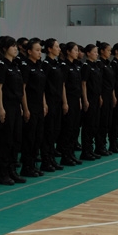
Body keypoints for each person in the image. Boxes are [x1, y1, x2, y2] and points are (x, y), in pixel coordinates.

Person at [0, 36, 27, 185]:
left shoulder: (15, 65)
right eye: (12, 46)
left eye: (15, 46)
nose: (15, 48)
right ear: (4, 49)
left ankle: (13, 170)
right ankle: (3, 174)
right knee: (5, 140)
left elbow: (20, 89)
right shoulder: (1, 65)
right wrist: (1, 108)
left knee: (16, 139)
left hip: (15, 106)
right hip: (6, 105)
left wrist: (21, 106)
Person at [19, 38, 48, 177]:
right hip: (30, 105)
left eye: (40, 50)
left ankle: (33, 165)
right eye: (37, 50)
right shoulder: (25, 66)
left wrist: (44, 103)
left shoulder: (39, 66)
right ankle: (26, 166)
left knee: (38, 137)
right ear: (29, 51)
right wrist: (25, 108)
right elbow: (23, 89)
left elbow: (42, 88)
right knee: (29, 137)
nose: (39, 53)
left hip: (39, 106)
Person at [40, 38, 65, 173]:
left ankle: (52, 158)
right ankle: (46, 160)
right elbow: (43, 86)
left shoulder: (57, 64)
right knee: (48, 132)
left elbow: (61, 85)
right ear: (49, 49)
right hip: (49, 102)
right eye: (56, 46)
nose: (59, 49)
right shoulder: (46, 65)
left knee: (55, 131)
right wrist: (44, 103)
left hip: (57, 102)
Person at [59, 42, 82, 166]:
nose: (77, 52)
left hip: (75, 100)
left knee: (74, 128)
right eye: (75, 50)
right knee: (67, 129)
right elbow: (63, 85)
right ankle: (65, 155)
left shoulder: (76, 66)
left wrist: (79, 100)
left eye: (78, 50)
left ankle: (71, 154)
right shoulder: (64, 66)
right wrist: (65, 102)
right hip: (68, 100)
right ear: (68, 51)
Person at [80, 44, 102, 161]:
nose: (96, 54)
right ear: (88, 53)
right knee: (88, 125)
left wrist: (99, 97)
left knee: (94, 124)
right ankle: (85, 151)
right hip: (89, 99)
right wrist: (85, 99)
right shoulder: (86, 66)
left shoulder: (96, 66)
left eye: (97, 52)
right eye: (94, 52)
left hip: (96, 98)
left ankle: (91, 149)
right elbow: (83, 84)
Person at [95, 41, 115, 156]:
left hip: (109, 95)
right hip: (102, 95)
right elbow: (100, 82)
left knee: (107, 121)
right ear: (102, 51)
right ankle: (99, 146)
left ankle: (103, 144)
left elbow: (111, 82)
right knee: (102, 121)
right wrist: (100, 96)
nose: (109, 52)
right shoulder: (99, 64)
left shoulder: (108, 64)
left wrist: (113, 96)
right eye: (108, 50)